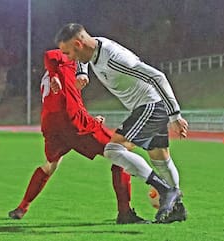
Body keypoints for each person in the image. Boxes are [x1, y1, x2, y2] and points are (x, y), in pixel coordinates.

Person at [54, 23, 188, 223]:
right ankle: (177, 209)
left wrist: (175, 115)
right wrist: (82, 72)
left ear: (78, 44)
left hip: (150, 105)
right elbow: (83, 58)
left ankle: (166, 191)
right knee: (160, 158)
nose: (69, 58)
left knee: (113, 149)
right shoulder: (92, 48)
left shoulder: (114, 59)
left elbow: (157, 77)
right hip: (147, 105)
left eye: (68, 52)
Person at [8, 49, 145, 224]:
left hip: (53, 127)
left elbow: (69, 100)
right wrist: (55, 76)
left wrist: (91, 119)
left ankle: (22, 207)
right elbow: (51, 55)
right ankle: (125, 212)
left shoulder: (59, 72)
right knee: (120, 152)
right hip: (72, 125)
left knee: (50, 165)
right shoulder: (66, 59)